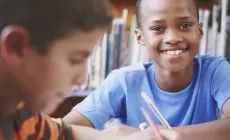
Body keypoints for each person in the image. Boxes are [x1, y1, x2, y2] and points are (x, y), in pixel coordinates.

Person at [64, 0, 230, 139]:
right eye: (158, 28)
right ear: (140, 37)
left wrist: (165, 135)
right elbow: (62, 130)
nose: (172, 38)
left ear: (199, 31)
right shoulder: (124, 81)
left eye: (185, 25)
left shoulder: (215, 71)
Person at [0, 0, 158, 139]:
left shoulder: (20, 114)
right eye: (75, 60)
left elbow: (65, 133)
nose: (82, 79)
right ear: (16, 46)